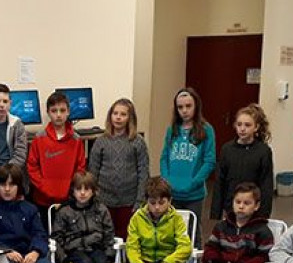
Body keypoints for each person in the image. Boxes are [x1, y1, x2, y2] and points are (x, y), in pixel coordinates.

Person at [51, 171, 115, 263]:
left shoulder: (101, 209)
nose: (83, 193)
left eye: (87, 189)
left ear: (94, 191)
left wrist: (109, 253)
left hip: (96, 246)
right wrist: (62, 257)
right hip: (74, 248)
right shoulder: (64, 211)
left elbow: (109, 233)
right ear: (72, 190)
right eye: (79, 189)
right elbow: (56, 236)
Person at [160, 88, 216, 248]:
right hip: (172, 192)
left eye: (188, 106)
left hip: (194, 194)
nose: (184, 111)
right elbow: (164, 157)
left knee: (192, 232)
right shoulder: (172, 129)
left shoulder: (206, 130)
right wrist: (166, 180)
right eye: (180, 107)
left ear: (196, 106)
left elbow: (209, 161)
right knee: (172, 232)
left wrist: (194, 182)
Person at [88, 98, 150, 239]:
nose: (118, 117)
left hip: (129, 200)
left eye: (123, 114)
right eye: (115, 113)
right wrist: (94, 198)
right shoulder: (101, 141)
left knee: (126, 237)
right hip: (104, 199)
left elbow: (143, 172)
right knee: (106, 236)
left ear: (130, 118)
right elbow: (92, 172)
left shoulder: (137, 142)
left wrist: (140, 200)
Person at [27, 91, 86, 223]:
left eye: (62, 110)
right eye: (54, 111)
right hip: (43, 200)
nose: (58, 115)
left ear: (68, 112)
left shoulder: (76, 140)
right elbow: (32, 167)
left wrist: (71, 190)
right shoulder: (39, 138)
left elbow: (80, 168)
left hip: (69, 200)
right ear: (48, 113)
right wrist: (44, 187)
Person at [210, 104, 273, 220]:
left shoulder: (263, 151)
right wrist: (215, 214)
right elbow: (219, 183)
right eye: (239, 125)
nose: (242, 129)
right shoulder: (227, 149)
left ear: (256, 127)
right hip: (230, 209)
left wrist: (263, 216)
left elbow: (266, 186)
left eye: (247, 125)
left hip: (253, 211)